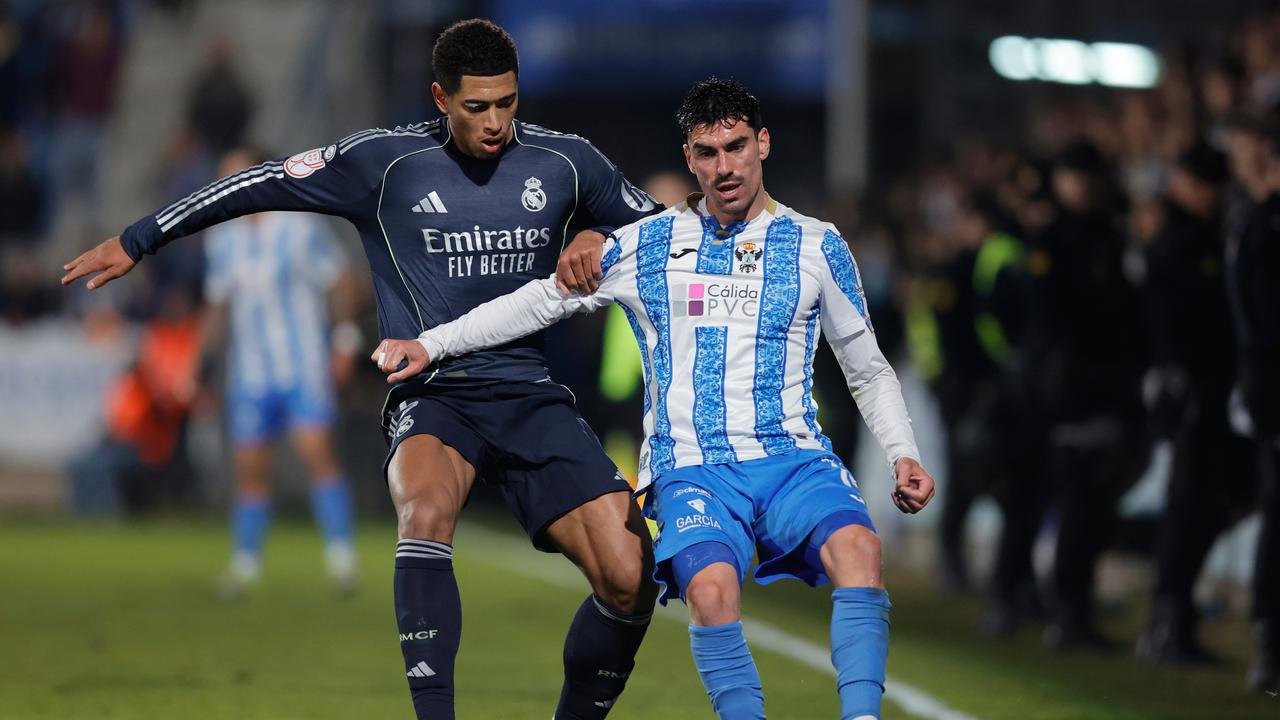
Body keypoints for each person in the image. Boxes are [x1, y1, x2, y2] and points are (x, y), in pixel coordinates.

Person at [62, 19, 659, 720]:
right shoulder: (384, 162)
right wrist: (140, 239)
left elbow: (663, 233)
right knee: (425, 511)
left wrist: (600, 231)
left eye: (507, 103)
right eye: (476, 107)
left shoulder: (566, 162)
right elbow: (258, 184)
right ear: (440, 97)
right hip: (435, 392)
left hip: (529, 392)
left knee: (630, 578)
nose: (496, 122)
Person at [376, 77, 936, 720]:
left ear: (763, 144)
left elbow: (867, 370)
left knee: (862, 552)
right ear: (689, 157)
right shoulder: (649, 243)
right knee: (712, 591)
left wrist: (903, 453)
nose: (725, 167)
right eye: (708, 153)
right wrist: (432, 344)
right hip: (693, 467)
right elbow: (536, 302)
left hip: (793, 458)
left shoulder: (818, 245)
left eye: (736, 147)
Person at [200, 146, 361, 597]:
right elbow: (217, 305)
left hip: (303, 367)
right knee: (250, 469)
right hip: (250, 374)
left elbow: (341, 279)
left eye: (236, 176)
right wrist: (199, 367)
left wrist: (344, 341)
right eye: (224, 178)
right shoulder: (222, 238)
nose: (228, 186)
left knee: (317, 454)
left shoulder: (298, 225)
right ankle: (245, 565)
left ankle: (342, 559)